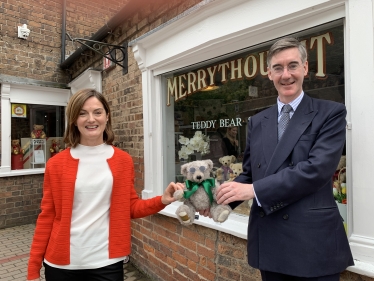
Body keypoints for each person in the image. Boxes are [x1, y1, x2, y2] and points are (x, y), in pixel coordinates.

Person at [215, 38, 354, 280]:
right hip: (270, 241)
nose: (286, 74)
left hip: (313, 244)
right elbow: (250, 174)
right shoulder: (257, 121)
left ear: (305, 68)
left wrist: (253, 190)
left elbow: (316, 170)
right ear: (269, 73)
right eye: (278, 68)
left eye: (292, 65)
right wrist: (218, 201)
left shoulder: (330, 113)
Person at [27, 89, 184, 281]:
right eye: (82, 113)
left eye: (97, 112)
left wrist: (162, 200)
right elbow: (47, 217)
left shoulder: (122, 161)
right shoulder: (56, 164)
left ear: (107, 116)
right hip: (62, 264)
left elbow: (130, 207)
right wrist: (33, 269)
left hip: (106, 262)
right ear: (74, 120)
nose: (91, 119)